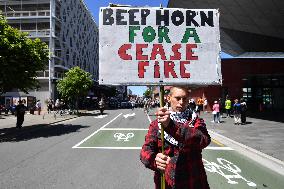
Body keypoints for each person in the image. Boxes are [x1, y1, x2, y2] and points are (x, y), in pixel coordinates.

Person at [140, 86, 211, 189]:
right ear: (169, 98)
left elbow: (203, 141)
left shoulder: (196, 121)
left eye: (185, 98)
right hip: (168, 182)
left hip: (194, 181)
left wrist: (171, 126)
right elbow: (145, 151)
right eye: (177, 98)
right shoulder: (157, 124)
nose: (181, 102)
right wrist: (155, 160)